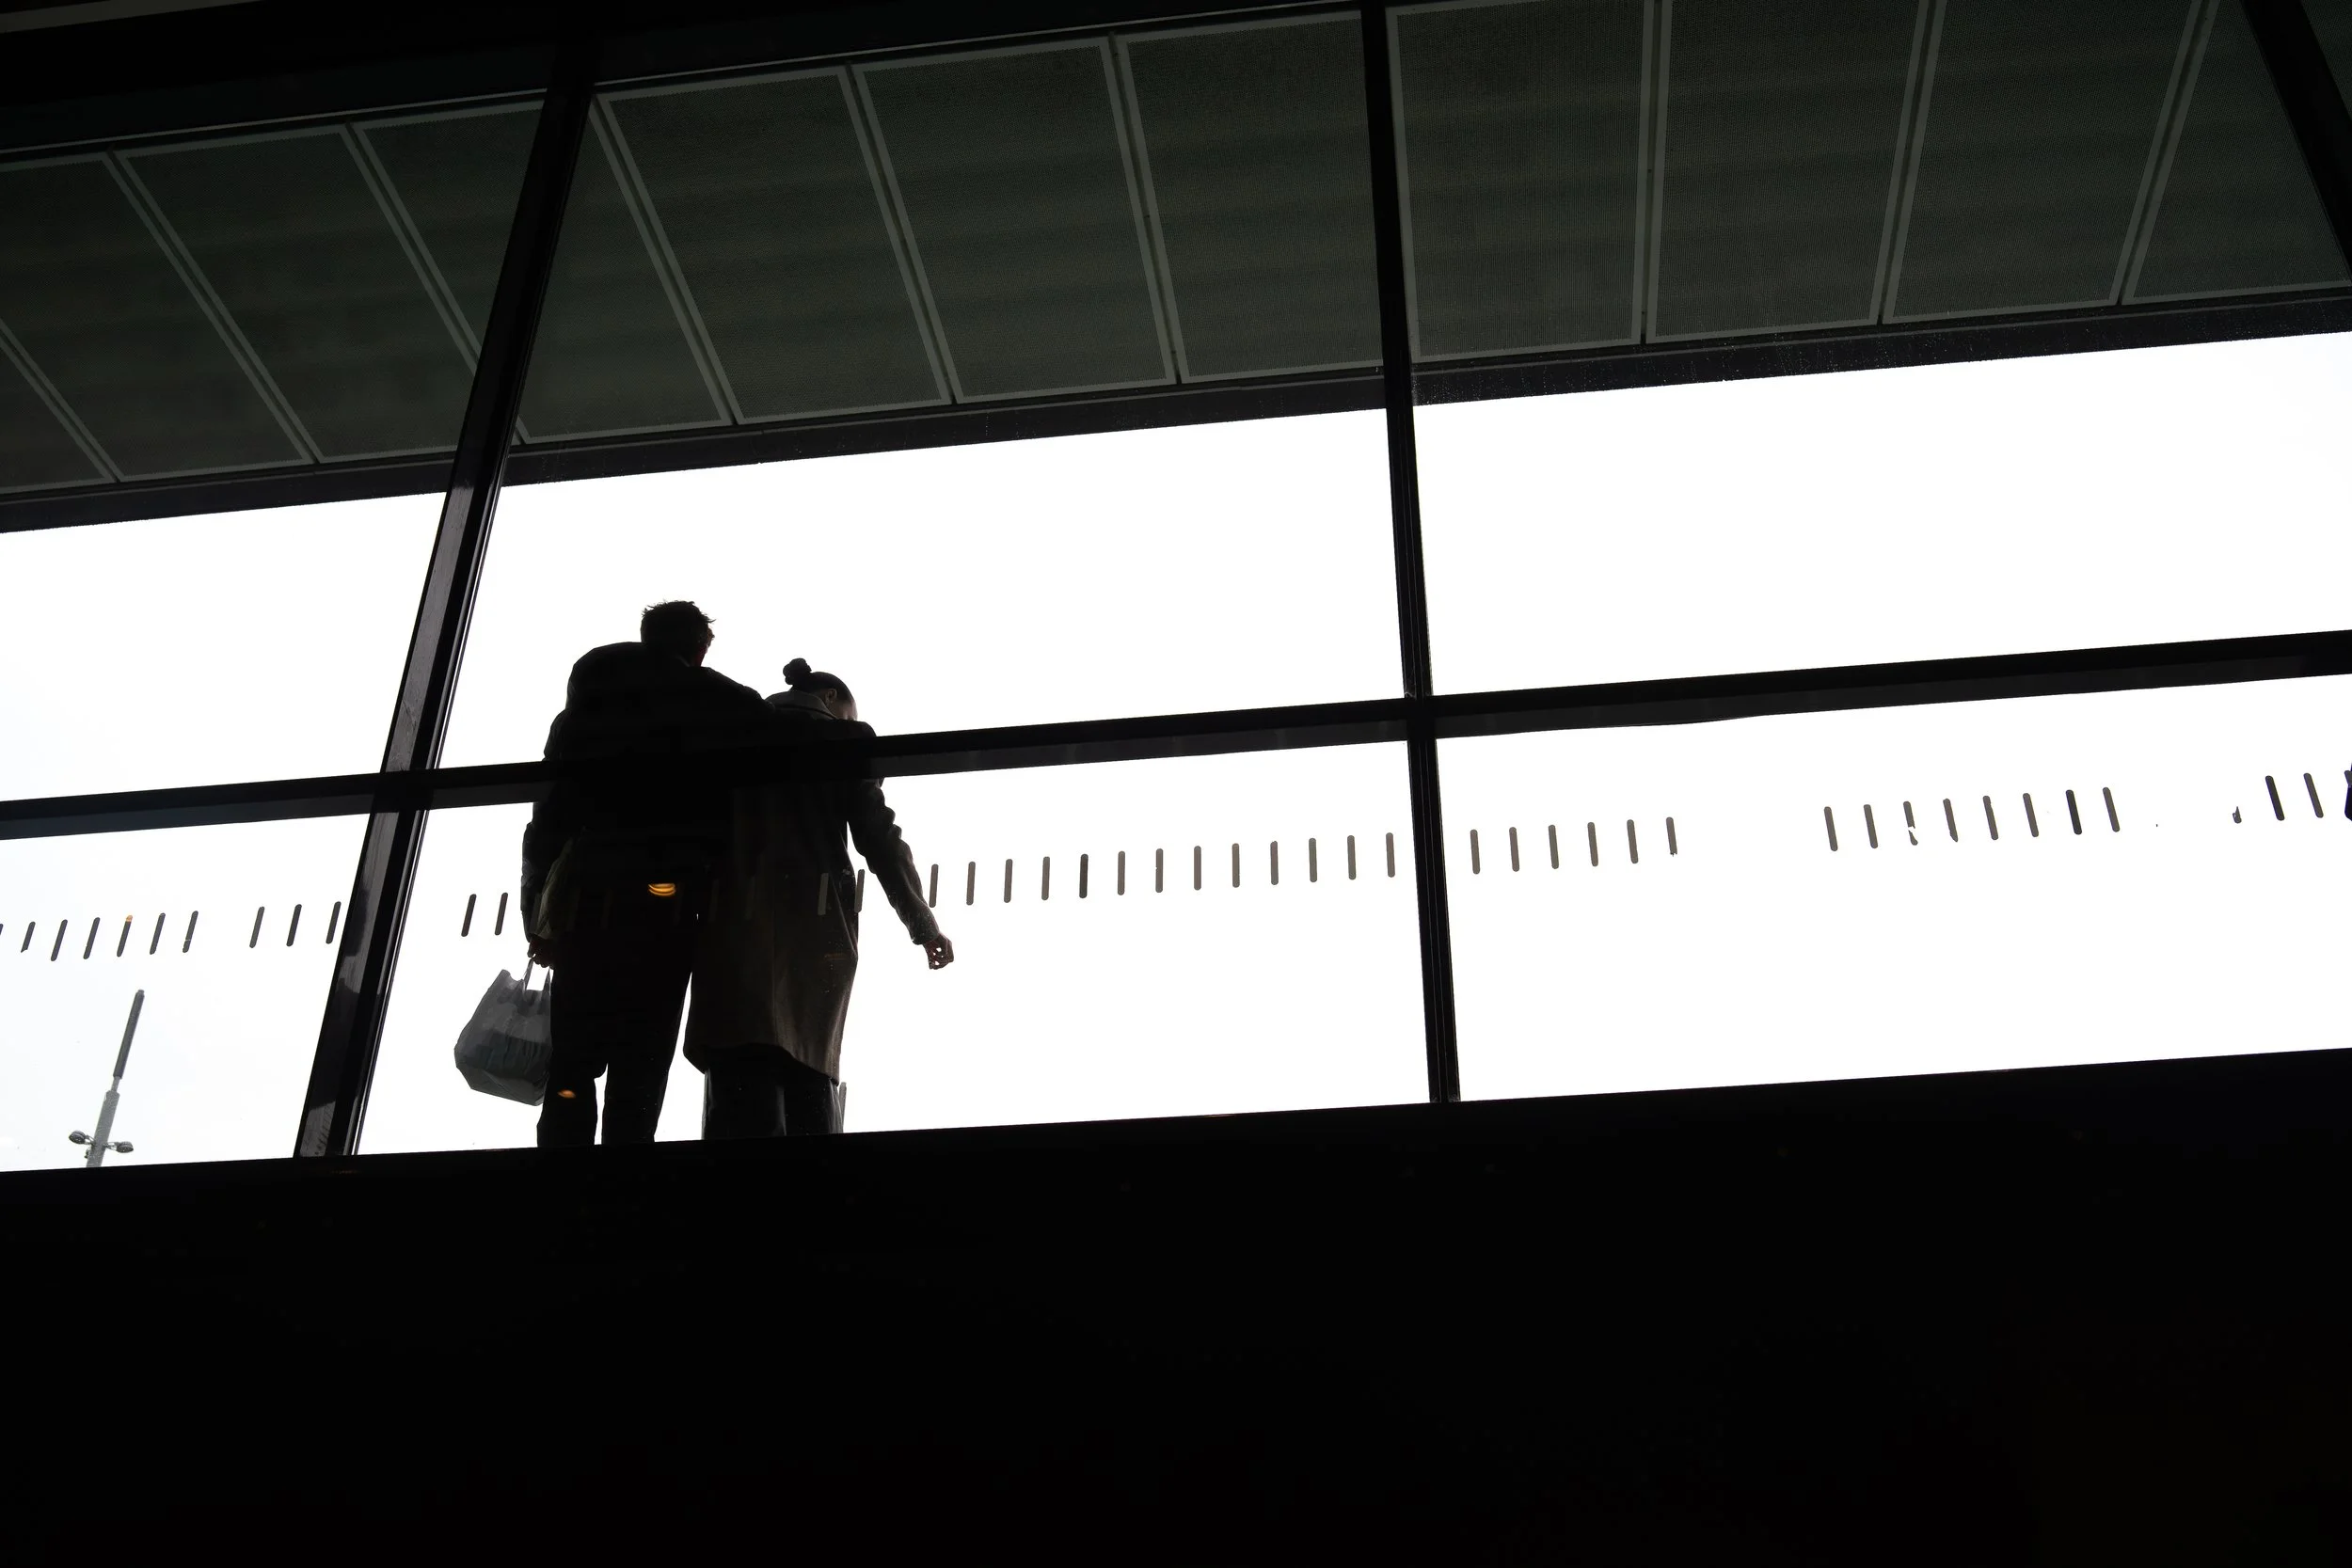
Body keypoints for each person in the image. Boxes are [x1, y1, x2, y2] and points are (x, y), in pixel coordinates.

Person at [520, 601, 771, 1147]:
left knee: (574, 1050)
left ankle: (561, 1170)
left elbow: (549, 815)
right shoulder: (718, 703)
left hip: (588, 890)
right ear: (699, 648)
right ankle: (627, 1176)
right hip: (670, 895)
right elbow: (757, 754)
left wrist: (536, 909)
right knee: (644, 1047)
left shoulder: (588, 698)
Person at [685, 658, 953, 1137]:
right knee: (808, 1069)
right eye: (848, 712)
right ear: (831, 699)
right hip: (815, 920)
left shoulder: (733, 731)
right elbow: (880, 839)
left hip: (731, 915)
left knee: (738, 1064)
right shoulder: (844, 740)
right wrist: (922, 923)